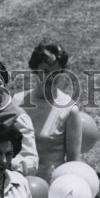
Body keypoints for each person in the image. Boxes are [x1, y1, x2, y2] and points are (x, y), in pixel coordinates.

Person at [14, 39, 82, 181]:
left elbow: (73, 163)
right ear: (35, 70)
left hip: (51, 187)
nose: (50, 78)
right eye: (45, 71)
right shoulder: (17, 102)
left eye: (56, 72)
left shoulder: (70, 110)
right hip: (19, 182)